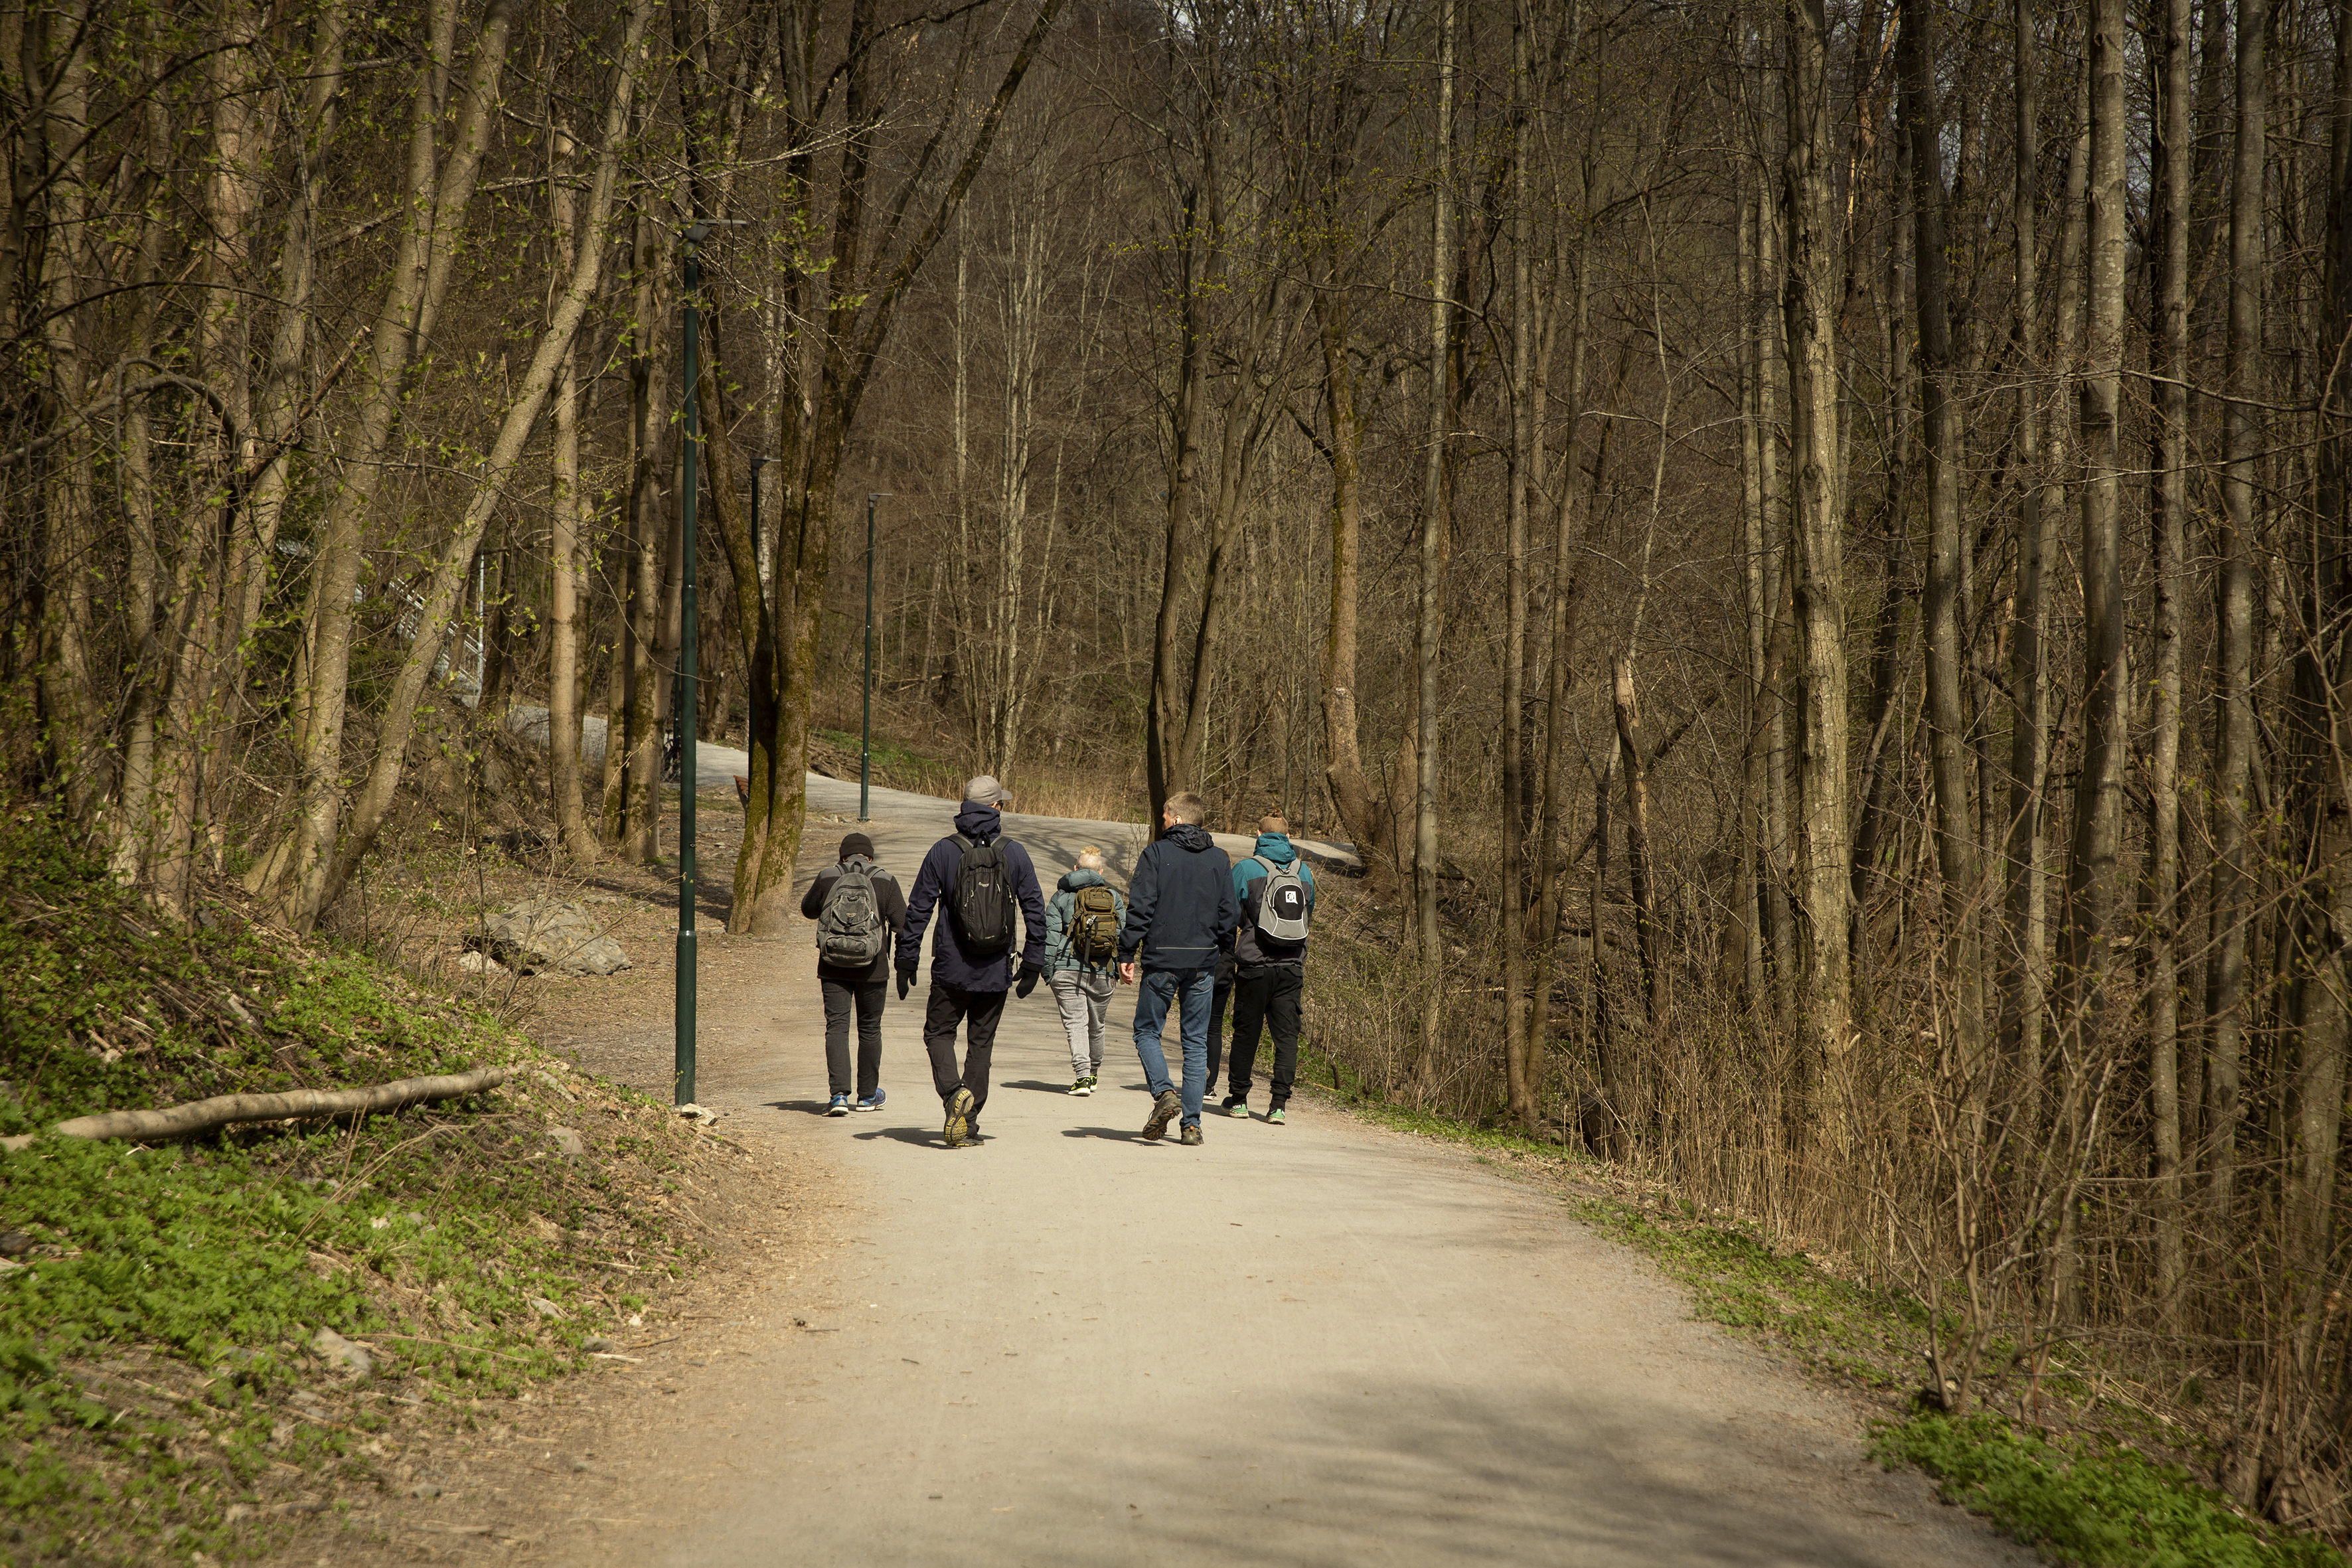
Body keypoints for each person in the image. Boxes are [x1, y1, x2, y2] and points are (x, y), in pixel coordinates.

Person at [896, 775, 1048, 1148]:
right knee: (981, 1045)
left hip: (951, 968)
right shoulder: (1015, 851)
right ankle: (970, 1122)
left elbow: (918, 910)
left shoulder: (943, 851)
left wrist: (906, 959)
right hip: (995, 970)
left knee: (938, 1033)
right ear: (995, 808)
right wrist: (1033, 963)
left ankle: (952, 1094)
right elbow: (1035, 910)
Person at [1117, 791, 1237, 1146]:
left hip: (1163, 961)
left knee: (1146, 1032)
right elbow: (1229, 914)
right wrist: (1222, 952)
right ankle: (1192, 1125)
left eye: (1166, 815)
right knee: (1196, 1043)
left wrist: (1127, 951)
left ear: (1178, 819)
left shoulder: (1156, 853)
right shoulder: (1219, 859)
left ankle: (1164, 1093)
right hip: (1203, 962)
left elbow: (1141, 908)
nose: (1164, 820)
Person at [799, 832, 907, 1115]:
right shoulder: (886, 880)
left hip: (833, 965)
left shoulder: (827, 876)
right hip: (873, 967)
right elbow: (902, 923)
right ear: (870, 857)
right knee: (870, 1029)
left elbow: (808, 910)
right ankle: (869, 1096)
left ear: (843, 856)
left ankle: (838, 1097)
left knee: (837, 1027)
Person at [1222, 813, 1316, 1125]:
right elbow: (1308, 914)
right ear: (1288, 838)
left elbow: (1229, 914)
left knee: (1246, 1033)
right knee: (1286, 1036)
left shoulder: (1247, 869)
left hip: (1254, 964)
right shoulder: (1304, 872)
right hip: (1292, 966)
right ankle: (1278, 1105)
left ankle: (1238, 1100)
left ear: (1258, 834)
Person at [1044, 846, 1127, 1095]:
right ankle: (1093, 1074)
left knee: (1075, 1023)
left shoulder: (1060, 897)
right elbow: (1122, 935)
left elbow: (1050, 937)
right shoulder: (1114, 897)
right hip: (1103, 971)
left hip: (1066, 970)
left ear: (1076, 869)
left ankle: (1082, 1076)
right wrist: (1120, 968)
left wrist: (1048, 969)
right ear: (1100, 871)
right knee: (1097, 1025)